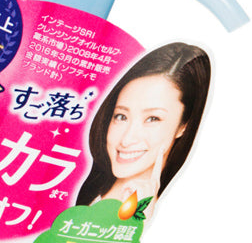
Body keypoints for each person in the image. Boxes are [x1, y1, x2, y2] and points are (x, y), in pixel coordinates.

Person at [75, 42, 211, 209]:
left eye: (153, 119)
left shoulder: (179, 207)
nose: (126, 140)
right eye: (121, 116)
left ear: (184, 125)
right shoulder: (76, 188)